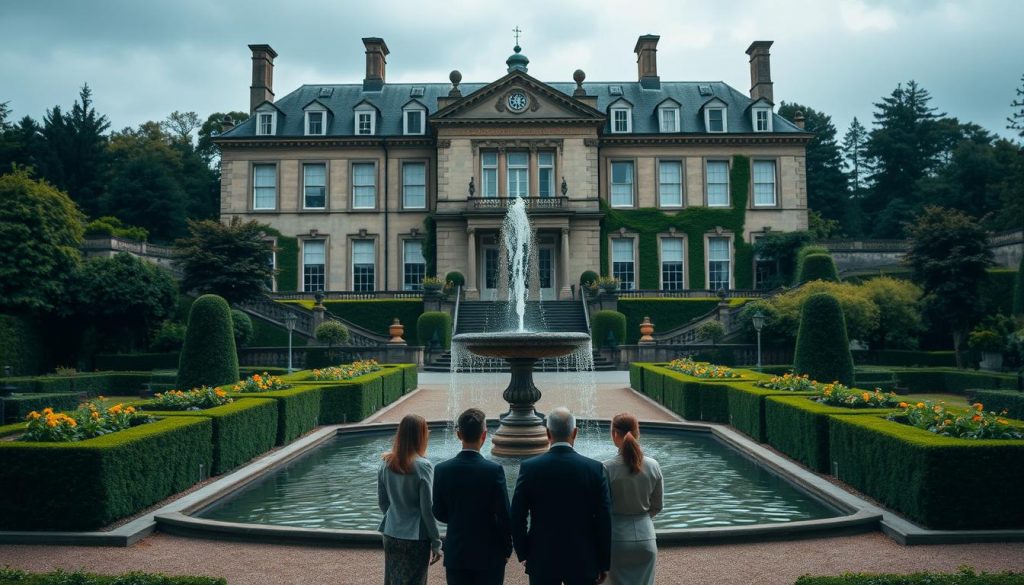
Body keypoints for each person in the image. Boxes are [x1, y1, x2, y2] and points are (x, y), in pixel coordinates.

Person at [511, 407, 612, 585]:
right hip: (583, 559)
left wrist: (524, 553)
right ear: (575, 433)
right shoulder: (594, 469)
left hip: (542, 558)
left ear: (548, 433)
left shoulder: (530, 468)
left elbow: (517, 516)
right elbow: (604, 520)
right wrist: (603, 563)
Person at [432, 408, 513, 585]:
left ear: (458, 434)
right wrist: (507, 549)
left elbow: (438, 511)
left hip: (457, 552)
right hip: (489, 553)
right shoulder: (494, 471)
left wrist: (457, 517)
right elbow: (505, 515)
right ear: (484, 435)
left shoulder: (442, 470)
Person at [377, 414, 442, 585]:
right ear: (421, 436)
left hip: (390, 532)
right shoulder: (423, 466)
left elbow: (383, 502)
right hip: (415, 536)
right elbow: (427, 509)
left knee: (391, 581)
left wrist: (396, 518)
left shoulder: (385, 462)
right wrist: (436, 542)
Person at [602, 412, 663, 585]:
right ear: (637, 433)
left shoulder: (606, 468)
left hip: (617, 538)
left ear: (614, 434)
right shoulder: (653, 466)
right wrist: (641, 517)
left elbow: (602, 508)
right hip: (646, 536)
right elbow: (657, 505)